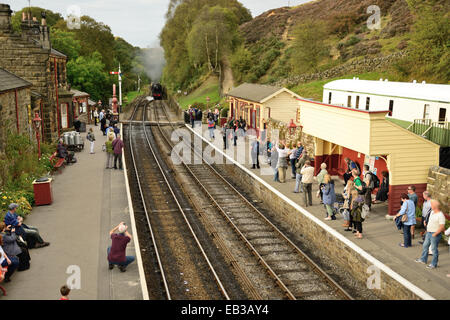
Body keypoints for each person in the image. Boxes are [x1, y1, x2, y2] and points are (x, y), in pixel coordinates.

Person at [415, 200, 446, 269]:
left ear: (435, 206)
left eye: (431, 205)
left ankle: (433, 264)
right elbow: (430, 220)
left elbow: (442, 227)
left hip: (435, 234)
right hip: (429, 232)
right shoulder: (432, 212)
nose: (430, 206)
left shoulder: (440, 215)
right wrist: (426, 223)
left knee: (434, 249)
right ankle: (423, 259)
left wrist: (435, 234)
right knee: (425, 246)